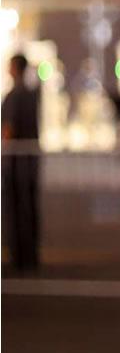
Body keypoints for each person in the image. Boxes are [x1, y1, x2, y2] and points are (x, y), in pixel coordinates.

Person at [2, 54, 42, 274]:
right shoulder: (32, 95)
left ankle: (19, 256)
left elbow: (8, 129)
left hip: (15, 164)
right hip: (31, 163)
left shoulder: (13, 96)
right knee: (30, 209)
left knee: (15, 210)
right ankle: (31, 255)